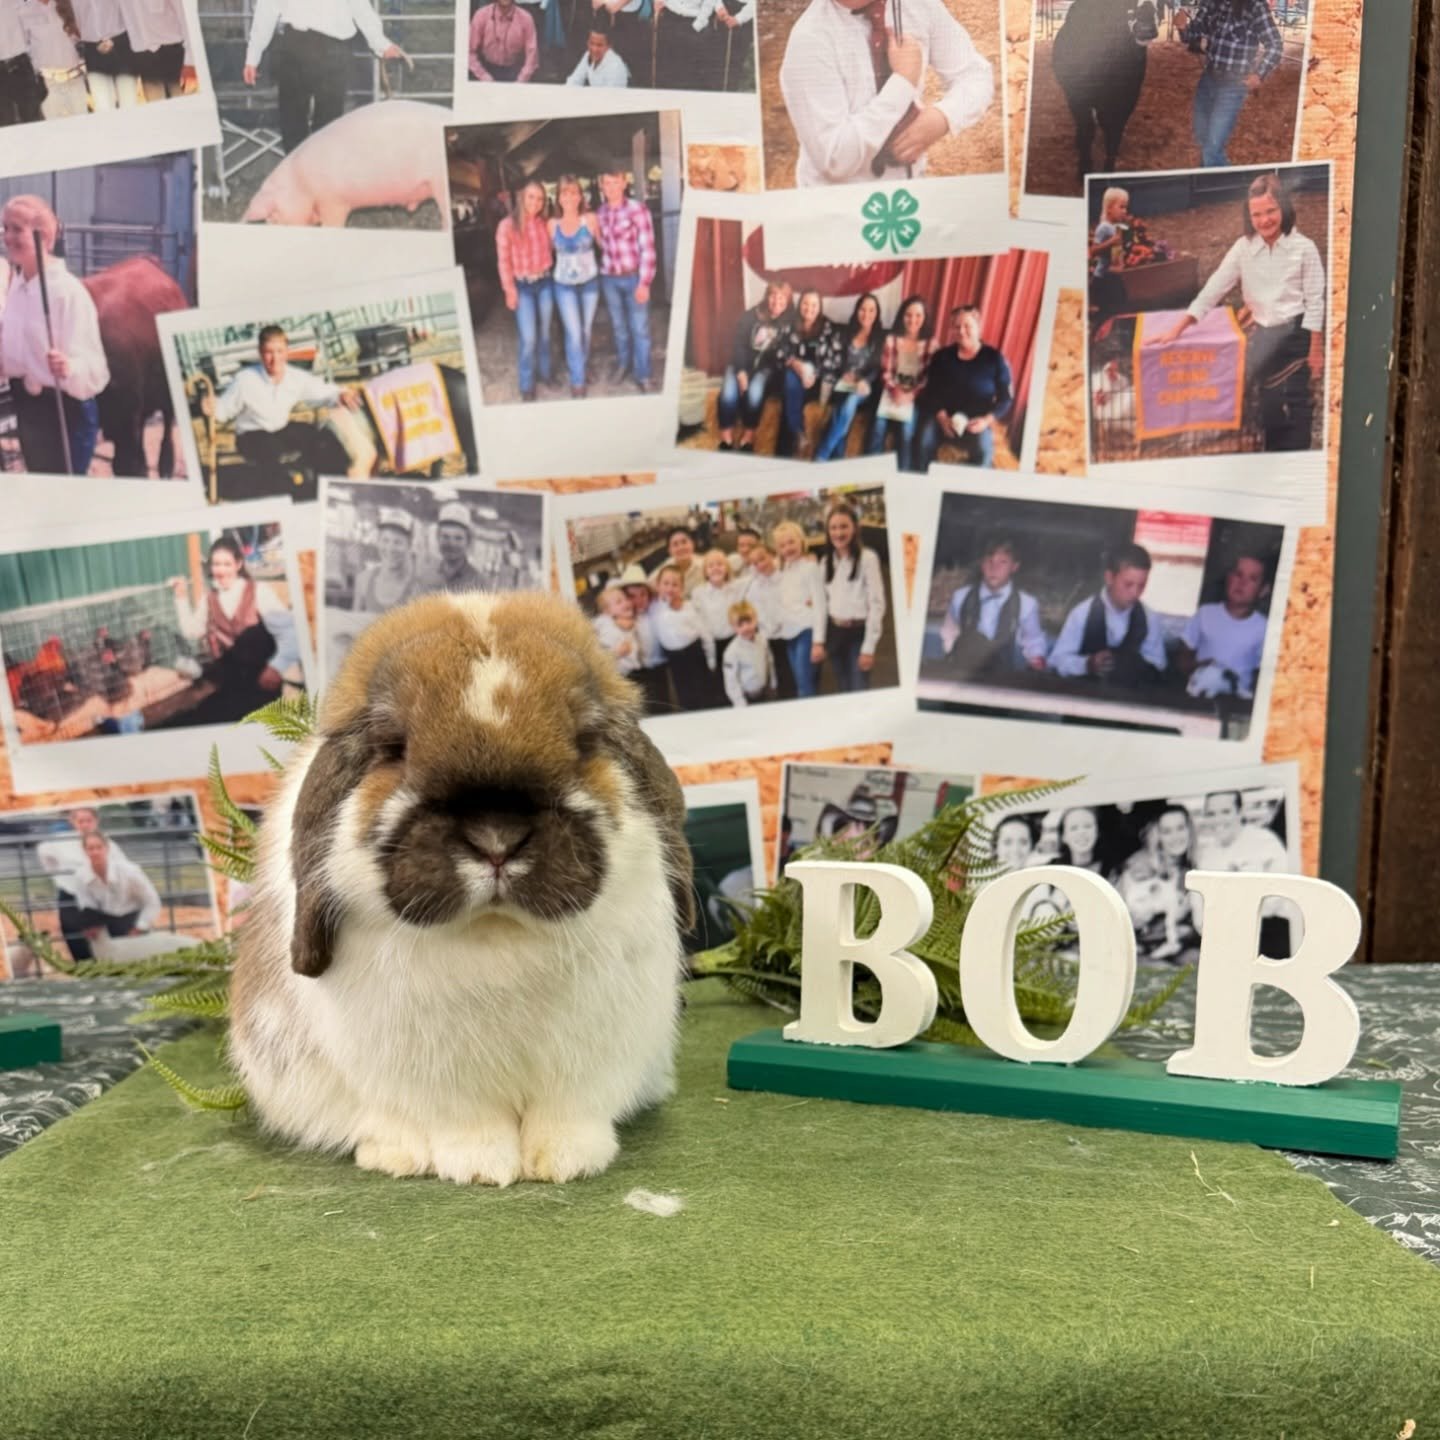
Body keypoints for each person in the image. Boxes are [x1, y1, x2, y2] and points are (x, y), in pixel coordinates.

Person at [1150, 173, 1325, 453]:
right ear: (1249, 216)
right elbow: (1213, 289)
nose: (1264, 220)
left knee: (1299, 404)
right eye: (1257, 214)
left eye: (1271, 211)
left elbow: (1316, 301)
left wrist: (1316, 350)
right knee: (1267, 404)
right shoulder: (1243, 248)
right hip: (1263, 336)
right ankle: (1274, 457)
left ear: (1283, 207)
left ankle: (1299, 458)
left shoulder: (1304, 248)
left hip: (1296, 337)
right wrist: (1177, 329)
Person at [778, 0, 993, 188]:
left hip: (909, 192)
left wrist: (944, 117)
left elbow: (975, 74)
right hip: (840, 202)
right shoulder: (809, 39)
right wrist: (902, 83)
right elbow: (835, 159)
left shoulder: (918, 5)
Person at [0, 195, 109, 476]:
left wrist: (69, 366)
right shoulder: (16, 287)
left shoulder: (68, 292)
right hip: (29, 412)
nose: (7, 237)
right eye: (5, 228)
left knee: (62, 493)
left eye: (17, 229)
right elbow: (16, 353)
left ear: (44, 236)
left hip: (65, 413)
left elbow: (96, 370)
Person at [168, 536, 302, 725]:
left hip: (261, 686)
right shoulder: (209, 599)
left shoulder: (258, 591)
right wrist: (181, 597)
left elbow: (290, 633)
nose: (221, 570)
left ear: (238, 564)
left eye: (226, 564)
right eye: (216, 564)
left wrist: (276, 667)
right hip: (228, 685)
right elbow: (191, 631)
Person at [205, 325, 358, 481]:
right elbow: (223, 410)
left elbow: (321, 390)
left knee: (323, 439)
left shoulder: (295, 377)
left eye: (279, 351)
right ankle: (284, 486)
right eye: (269, 352)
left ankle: (330, 484)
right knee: (274, 456)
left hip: (281, 429)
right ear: (260, 353)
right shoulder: (245, 380)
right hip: (251, 435)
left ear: (287, 351)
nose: (275, 359)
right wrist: (210, 406)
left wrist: (341, 394)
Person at [245, 0, 399, 152]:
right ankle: (306, 164)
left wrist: (381, 44)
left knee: (307, 123)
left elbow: (266, 11)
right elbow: (360, 8)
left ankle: (307, 164)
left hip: (313, 47)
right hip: (314, 48)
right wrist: (381, 44)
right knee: (310, 123)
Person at [1176, 0, 1283, 169]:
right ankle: (1207, 175)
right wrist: (1182, 27)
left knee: (1213, 147)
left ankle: (1225, 180)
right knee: (1202, 136)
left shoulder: (1255, 5)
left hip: (1234, 85)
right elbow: (1192, 34)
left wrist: (1259, 74)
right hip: (1208, 78)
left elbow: (1275, 44)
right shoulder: (1211, 2)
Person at [1048, 541, 1167, 686]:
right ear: (1109, 578)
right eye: (1128, 584)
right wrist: (1087, 664)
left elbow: (1158, 665)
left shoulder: (1149, 619)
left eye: (1141, 586)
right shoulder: (1082, 614)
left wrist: (1131, 665)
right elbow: (1057, 661)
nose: (1135, 593)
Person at [937, 533, 1048, 679]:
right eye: (989, 561)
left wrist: (1036, 659)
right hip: (963, 673)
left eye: (1003, 562)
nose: (994, 568)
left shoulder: (1026, 604)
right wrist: (953, 654)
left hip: (1002, 677)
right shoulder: (961, 597)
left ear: (1014, 567)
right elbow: (949, 632)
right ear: (982, 564)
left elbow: (1033, 641)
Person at [916, 304, 1012, 471]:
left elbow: (1006, 398)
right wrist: (942, 418)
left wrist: (986, 421)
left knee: (984, 453)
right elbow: (930, 391)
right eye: (957, 326)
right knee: (924, 441)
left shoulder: (994, 358)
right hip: (944, 418)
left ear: (978, 327)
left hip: (976, 421)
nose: (961, 331)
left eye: (967, 326)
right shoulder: (941, 356)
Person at [35, 807, 133, 961]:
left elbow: (123, 867)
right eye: (81, 821)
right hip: (72, 894)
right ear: (73, 822)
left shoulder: (109, 844)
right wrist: (58, 876)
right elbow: (43, 852)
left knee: (114, 932)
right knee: (75, 936)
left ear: (96, 821)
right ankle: (85, 967)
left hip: (102, 895)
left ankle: (115, 964)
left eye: (89, 820)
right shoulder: (61, 842)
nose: (85, 825)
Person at [1176, 551, 1270, 699]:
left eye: (1252, 579)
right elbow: (1182, 660)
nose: (1242, 583)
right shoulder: (1205, 613)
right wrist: (1199, 666)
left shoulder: (1265, 628)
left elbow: (1265, 676)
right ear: (1228, 578)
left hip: (1238, 700)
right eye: (1238, 574)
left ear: (1263, 590)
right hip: (1200, 693)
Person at [597, 164, 657, 394]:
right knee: (619, 327)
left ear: (624, 183)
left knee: (639, 328)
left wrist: (644, 282)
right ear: (602, 186)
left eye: (616, 182)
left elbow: (648, 248)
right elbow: (602, 243)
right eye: (607, 183)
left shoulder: (637, 210)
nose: (611, 187)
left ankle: (643, 375)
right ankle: (624, 365)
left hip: (633, 277)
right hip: (610, 279)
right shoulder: (601, 213)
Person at [1115, 805, 1200, 964]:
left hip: (1174, 944)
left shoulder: (1189, 867)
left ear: (1189, 830)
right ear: (1157, 836)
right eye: (1167, 831)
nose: (1175, 837)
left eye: (1180, 828)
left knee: (1200, 961)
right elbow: (1124, 915)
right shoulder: (1140, 866)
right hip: (1139, 946)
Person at [496, 180, 555, 403]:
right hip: (523, 286)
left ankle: (546, 374)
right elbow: (503, 262)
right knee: (529, 337)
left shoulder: (544, 223)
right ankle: (527, 384)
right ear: (522, 197)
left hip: (545, 282)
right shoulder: (507, 226)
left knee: (546, 333)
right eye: (531, 197)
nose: (535, 202)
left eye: (540, 199)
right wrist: (509, 290)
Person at [717, 280, 793, 453]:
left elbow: (784, 354)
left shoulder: (789, 322)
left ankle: (748, 437)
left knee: (754, 394)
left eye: (782, 298)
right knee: (728, 394)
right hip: (740, 363)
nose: (777, 302)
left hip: (764, 369)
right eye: (773, 296)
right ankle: (726, 439)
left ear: (788, 301)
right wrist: (741, 371)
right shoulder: (751, 315)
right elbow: (738, 345)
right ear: (767, 297)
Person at [817, 500, 885, 692]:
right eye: (833, 528)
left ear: (855, 528)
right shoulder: (825, 562)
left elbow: (877, 604)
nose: (838, 533)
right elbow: (822, 601)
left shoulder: (868, 558)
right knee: (843, 687)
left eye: (844, 526)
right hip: (835, 633)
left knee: (859, 687)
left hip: (858, 633)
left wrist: (868, 648)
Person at [868, 294, 935, 472]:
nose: (913, 320)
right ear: (901, 316)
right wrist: (894, 390)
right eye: (908, 315)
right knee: (877, 427)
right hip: (891, 393)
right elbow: (886, 371)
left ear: (925, 318)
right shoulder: (891, 340)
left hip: (914, 398)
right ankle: (870, 474)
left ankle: (903, 474)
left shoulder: (931, 344)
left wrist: (911, 395)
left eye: (918, 315)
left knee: (906, 430)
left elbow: (928, 377)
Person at [548, 174, 601, 397]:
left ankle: (582, 365)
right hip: (564, 286)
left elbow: (603, 244)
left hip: (589, 283)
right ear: (558, 198)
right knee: (574, 333)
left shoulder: (590, 219)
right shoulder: (552, 224)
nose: (569, 197)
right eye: (564, 193)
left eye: (573, 193)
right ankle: (577, 379)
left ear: (580, 196)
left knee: (586, 331)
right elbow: (547, 253)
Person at [815, 292, 885, 461]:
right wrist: (843, 373)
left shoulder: (880, 338)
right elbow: (835, 361)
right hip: (843, 385)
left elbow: (878, 368)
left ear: (877, 313)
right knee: (841, 409)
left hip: (865, 389)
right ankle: (837, 462)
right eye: (862, 309)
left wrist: (865, 380)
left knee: (850, 401)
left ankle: (821, 455)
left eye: (871, 310)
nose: (866, 314)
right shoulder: (845, 333)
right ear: (856, 311)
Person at [775, 288, 842, 459]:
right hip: (795, 381)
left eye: (814, 304)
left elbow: (835, 361)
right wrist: (795, 363)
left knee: (789, 397)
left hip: (819, 384)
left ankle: (790, 447)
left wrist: (814, 374)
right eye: (805, 303)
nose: (809, 308)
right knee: (790, 381)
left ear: (820, 307)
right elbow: (779, 353)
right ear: (800, 305)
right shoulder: (790, 325)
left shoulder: (829, 328)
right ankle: (798, 434)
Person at [68, 831, 163, 943]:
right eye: (90, 848)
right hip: (105, 922)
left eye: (99, 847)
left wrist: (140, 927)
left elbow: (152, 901)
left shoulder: (129, 871)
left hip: (133, 918)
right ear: (84, 851)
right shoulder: (81, 875)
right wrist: (92, 926)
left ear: (107, 848)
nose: (95, 852)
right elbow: (87, 905)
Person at [771, 519, 826, 698]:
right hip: (789, 633)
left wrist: (818, 642)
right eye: (782, 545)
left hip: (806, 631)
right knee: (803, 683)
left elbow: (820, 605)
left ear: (801, 541)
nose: (788, 548)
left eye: (791, 542)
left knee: (804, 686)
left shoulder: (810, 568)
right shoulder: (783, 570)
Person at [650, 562, 716, 709]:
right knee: (685, 697)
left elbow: (705, 634)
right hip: (675, 659)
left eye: (675, 585)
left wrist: (711, 659)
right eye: (666, 583)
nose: (670, 588)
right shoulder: (654, 607)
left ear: (682, 588)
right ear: (658, 585)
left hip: (695, 653)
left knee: (705, 694)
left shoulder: (689, 607)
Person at [741, 542, 794, 699]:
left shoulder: (786, 578)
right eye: (755, 563)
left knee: (791, 674)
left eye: (762, 559)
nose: (760, 565)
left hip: (788, 633)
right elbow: (753, 611)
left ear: (773, 555)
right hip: (768, 636)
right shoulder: (754, 585)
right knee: (776, 674)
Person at [619, 562, 671, 713]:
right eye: (632, 596)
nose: (639, 600)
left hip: (659, 667)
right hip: (636, 672)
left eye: (643, 594)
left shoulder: (654, 611)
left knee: (664, 704)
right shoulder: (622, 620)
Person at [351, 507, 424, 614]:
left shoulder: (417, 588)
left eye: (398, 542)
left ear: (409, 546)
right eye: (385, 540)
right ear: (378, 542)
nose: (390, 548)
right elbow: (353, 621)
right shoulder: (364, 580)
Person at [21, 0, 86, 117]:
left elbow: (82, 38)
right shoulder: (23, 11)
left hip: (75, 79)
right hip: (48, 84)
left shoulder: (69, 4)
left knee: (83, 125)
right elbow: (24, 48)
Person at [71, 0, 138, 109]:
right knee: (103, 104)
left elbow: (129, 11)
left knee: (129, 100)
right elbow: (71, 21)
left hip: (120, 44)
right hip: (92, 50)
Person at [422, 500, 489, 592]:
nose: (451, 544)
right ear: (438, 538)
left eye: (458, 538)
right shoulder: (426, 576)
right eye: (445, 537)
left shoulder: (479, 583)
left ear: (468, 541)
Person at [655, 0, 721, 91]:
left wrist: (697, 25)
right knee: (668, 68)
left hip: (693, 22)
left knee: (690, 72)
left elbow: (709, 4)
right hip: (670, 17)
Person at [0, 0, 45, 127]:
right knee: (4, 123)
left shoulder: (16, 3)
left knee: (32, 118)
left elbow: (32, 31)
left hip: (21, 65)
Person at [1088, 186, 1130, 322]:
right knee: (1108, 311)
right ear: (1109, 208)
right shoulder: (1103, 227)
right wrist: (1111, 241)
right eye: (1121, 207)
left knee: (1121, 305)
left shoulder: (1115, 227)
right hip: (1103, 277)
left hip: (1113, 274)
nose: (1125, 211)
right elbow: (1093, 250)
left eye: (1126, 207)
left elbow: (1115, 252)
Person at [469, 0, 538, 80]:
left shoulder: (526, 18)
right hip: (485, 69)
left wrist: (521, 80)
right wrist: (483, 76)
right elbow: (468, 51)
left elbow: (532, 55)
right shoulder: (481, 15)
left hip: (516, 72)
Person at [722, 599, 773, 706]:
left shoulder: (762, 639)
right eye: (740, 625)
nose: (746, 628)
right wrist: (741, 704)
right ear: (733, 627)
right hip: (746, 699)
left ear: (755, 619)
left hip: (765, 693)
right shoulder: (731, 652)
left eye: (749, 622)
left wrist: (773, 684)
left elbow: (769, 661)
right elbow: (731, 682)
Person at [691, 548, 742, 648]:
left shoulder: (736, 588)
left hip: (736, 638)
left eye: (720, 564)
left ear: (727, 569)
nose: (715, 568)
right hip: (713, 642)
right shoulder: (698, 593)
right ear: (705, 572)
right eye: (710, 566)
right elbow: (698, 621)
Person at [592, 582, 645, 676]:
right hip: (616, 676)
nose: (626, 603)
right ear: (608, 611)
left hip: (632, 673)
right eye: (619, 602)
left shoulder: (631, 623)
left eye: (626, 599)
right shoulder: (607, 628)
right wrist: (617, 653)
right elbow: (599, 658)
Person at [649, 526, 702, 594]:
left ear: (692, 544)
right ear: (669, 551)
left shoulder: (703, 565)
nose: (681, 547)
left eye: (684, 542)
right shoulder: (665, 568)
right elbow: (648, 585)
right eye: (675, 544)